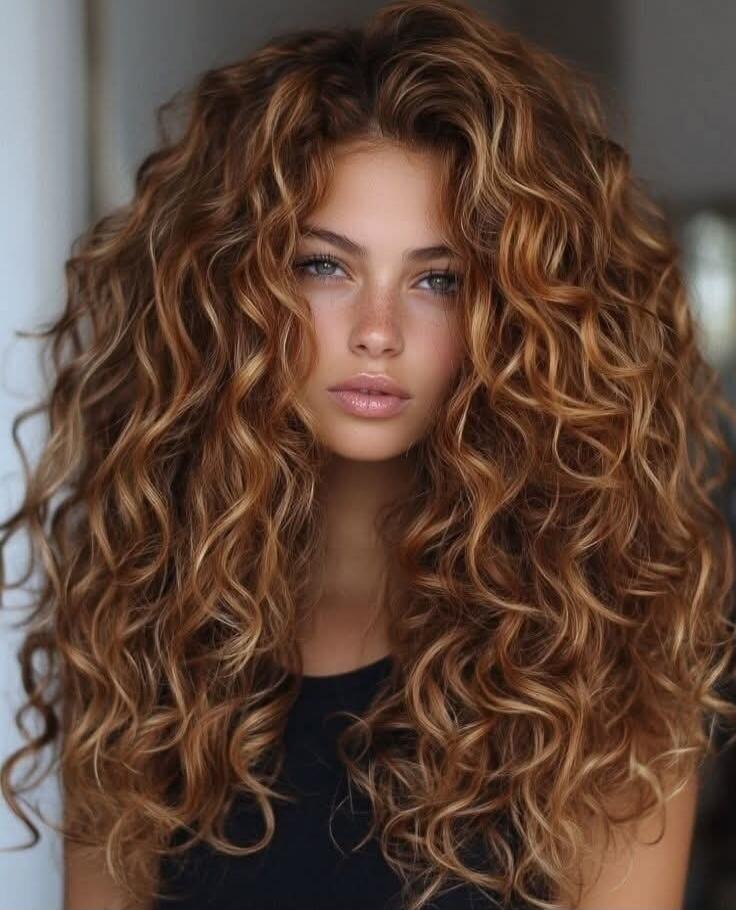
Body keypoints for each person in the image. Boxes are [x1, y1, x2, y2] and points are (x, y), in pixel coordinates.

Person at [1, 0, 735, 908]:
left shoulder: (597, 653)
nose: (377, 331)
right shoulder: (145, 623)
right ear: (237, 285)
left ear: (513, 312)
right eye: (325, 266)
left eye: (438, 279)